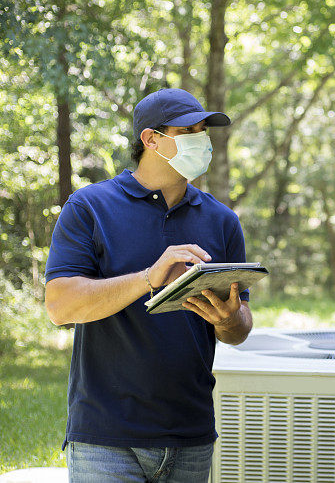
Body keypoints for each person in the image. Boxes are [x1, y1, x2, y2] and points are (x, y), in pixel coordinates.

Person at [44, 88, 253, 482]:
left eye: (204, 130)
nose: (202, 140)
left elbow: (239, 329)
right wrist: (147, 278)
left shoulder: (222, 221)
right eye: (189, 130)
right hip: (105, 439)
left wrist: (228, 320)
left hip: (191, 436)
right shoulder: (89, 207)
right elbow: (60, 307)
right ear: (151, 139)